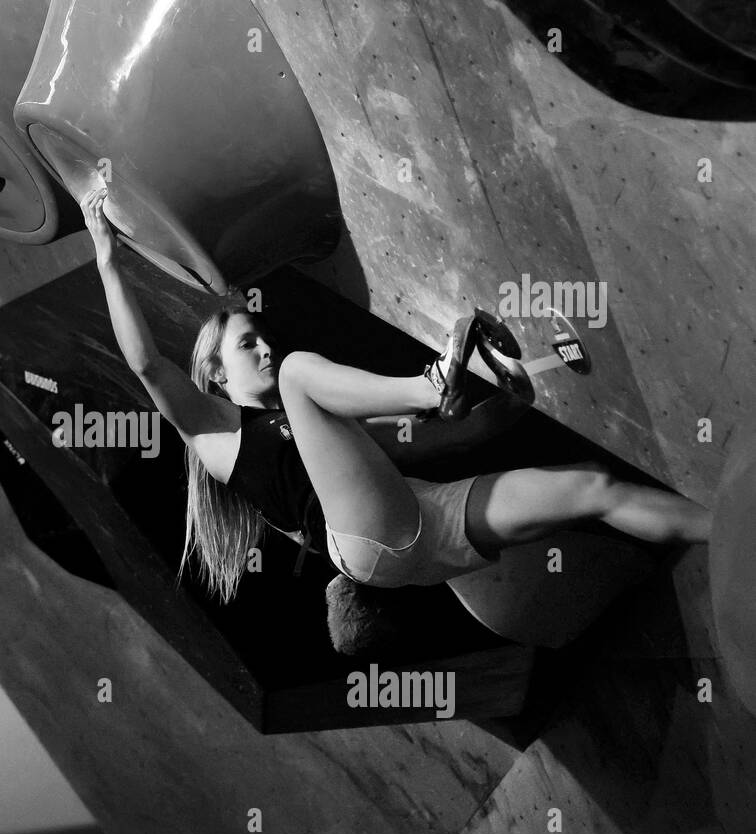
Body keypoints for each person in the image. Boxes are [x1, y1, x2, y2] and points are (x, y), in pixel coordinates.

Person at [81, 187, 712, 603]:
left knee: (593, 488)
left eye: (262, 338)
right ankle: (431, 380)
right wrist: (108, 258)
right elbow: (145, 363)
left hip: (423, 528)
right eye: (248, 345)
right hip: (363, 542)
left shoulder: (326, 426)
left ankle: (731, 531)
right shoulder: (217, 434)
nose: (265, 348)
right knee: (304, 373)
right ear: (216, 373)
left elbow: (454, 436)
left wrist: (506, 408)